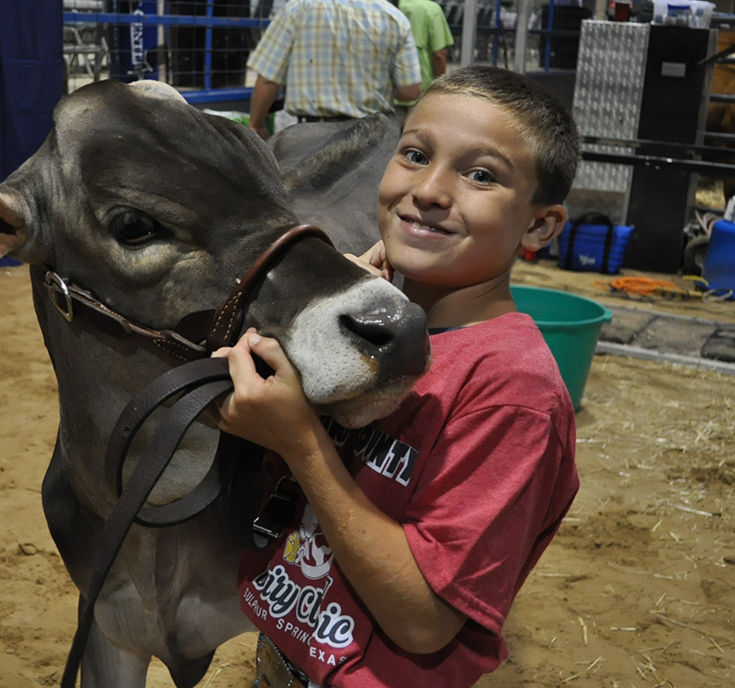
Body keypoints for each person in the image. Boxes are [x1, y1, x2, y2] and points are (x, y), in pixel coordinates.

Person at [213, 66, 581, 687]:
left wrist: (301, 441)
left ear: (540, 226)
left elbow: (424, 622)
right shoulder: (373, 320)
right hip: (286, 660)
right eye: (414, 155)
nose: (432, 190)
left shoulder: (513, 391)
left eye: (481, 174)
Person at [246, 0, 422, 140]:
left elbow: (268, 80)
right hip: (374, 135)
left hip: (310, 135)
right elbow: (410, 91)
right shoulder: (395, 18)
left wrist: (257, 125)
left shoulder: (297, 8)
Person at [394, 0, 454, 115]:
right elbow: (439, 54)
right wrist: (440, 85)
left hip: (391, 93)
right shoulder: (431, 9)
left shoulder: (389, 6)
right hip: (421, 93)